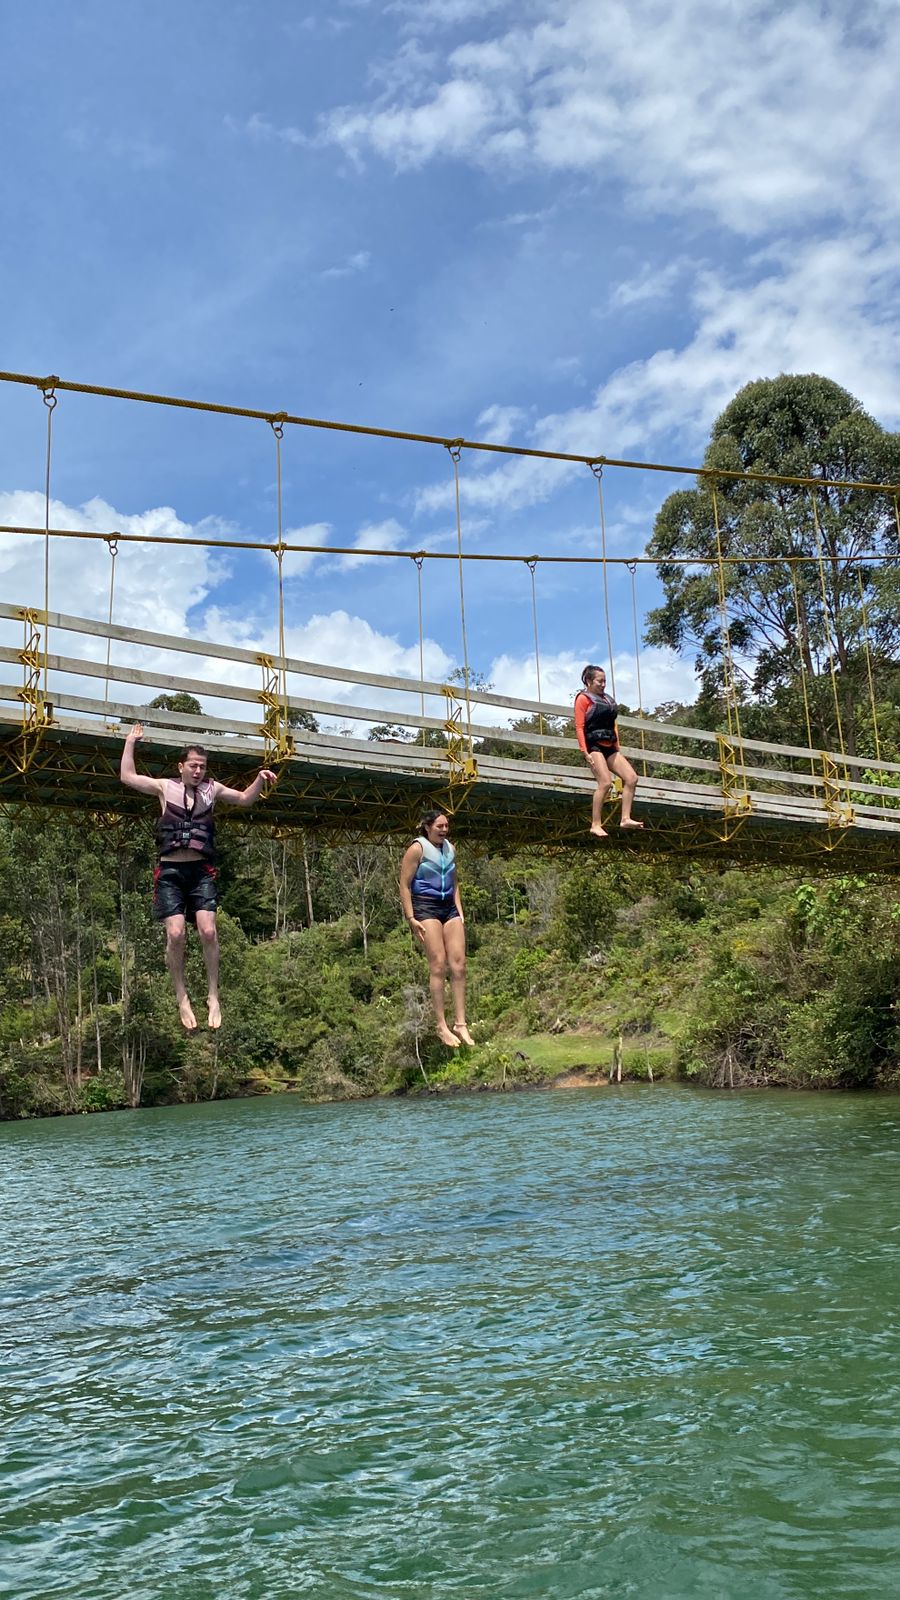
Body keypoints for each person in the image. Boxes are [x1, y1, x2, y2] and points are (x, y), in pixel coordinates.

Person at [120, 724, 276, 1031]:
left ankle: (213, 995)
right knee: (176, 934)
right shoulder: (164, 787)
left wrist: (259, 779)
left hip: (200, 872)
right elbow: (127, 776)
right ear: (181, 767)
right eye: (193, 765)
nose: (198, 771)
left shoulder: (212, 790)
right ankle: (182, 996)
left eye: (202, 767)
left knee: (208, 931)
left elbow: (245, 799)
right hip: (170, 873)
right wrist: (130, 742)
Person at [399, 809, 475, 1049]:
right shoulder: (417, 849)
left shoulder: (451, 849)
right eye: (439, 826)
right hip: (425, 907)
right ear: (427, 827)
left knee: (459, 964)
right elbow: (404, 885)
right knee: (438, 964)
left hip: (449, 907)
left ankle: (460, 1023)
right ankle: (441, 1025)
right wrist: (411, 917)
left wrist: (459, 910)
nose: (444, 830)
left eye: (446, 826)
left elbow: (454, 881)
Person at [574, 665, 643, 839]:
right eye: (600, 681)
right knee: (605, 783)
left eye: (605, 681)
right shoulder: (583, 699)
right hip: (593, 746)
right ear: (589, 681)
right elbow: (579, 727)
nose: (603, 684)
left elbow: (613, 725)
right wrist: (585, 752)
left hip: (610, 746)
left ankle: (625, 818)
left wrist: (617, 747)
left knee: (632, 778)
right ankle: (595, 824)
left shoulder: (608, 700)